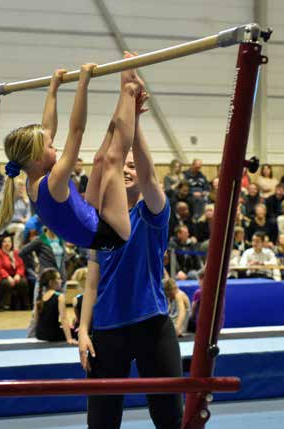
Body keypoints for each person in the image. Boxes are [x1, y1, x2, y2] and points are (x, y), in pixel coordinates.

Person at [78, 64, 182, 428]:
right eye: (123, 165)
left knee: (170, 416)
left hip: (152, 323)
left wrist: (135, 121)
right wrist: (82, 329)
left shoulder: (153, 214)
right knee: (102, 422)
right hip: (107, 328)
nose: (126, 169)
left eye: (132, 167)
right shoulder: (99, 222)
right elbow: (92, 281)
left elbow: (151, 175)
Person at [0, 55, 143, 251]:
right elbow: (77, 131)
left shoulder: (33, 178)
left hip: (90, 215)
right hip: (111, 234)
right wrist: (83, 84)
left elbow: (47, 128)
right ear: (37, 157)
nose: (54, 147)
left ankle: (128, 98)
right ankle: (130, 90)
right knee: (112, 160)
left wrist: (53, 89)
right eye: (50, 147)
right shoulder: (53, 181)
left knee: (100, 159)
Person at [0, 235, 29, 311]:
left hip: (14, 275)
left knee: (23, 282)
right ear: (1, 243)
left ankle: (24, 306)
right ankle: (0, 306)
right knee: (6, 283)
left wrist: (18, 274)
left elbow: (21, 266)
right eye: (4, 241)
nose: (7, 243)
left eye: (9, 241)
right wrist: (8, 277)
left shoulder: (15, 253)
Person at [34, 268, 76, 344]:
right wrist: (69, 339)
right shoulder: (60, 296)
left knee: (64, 326)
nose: (61, 281)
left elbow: (36, 319)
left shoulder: (40, 297)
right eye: (59, 278)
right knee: (76, 331)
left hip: (39, 335)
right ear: (51, 282)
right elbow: (64, 319)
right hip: (53, 335)